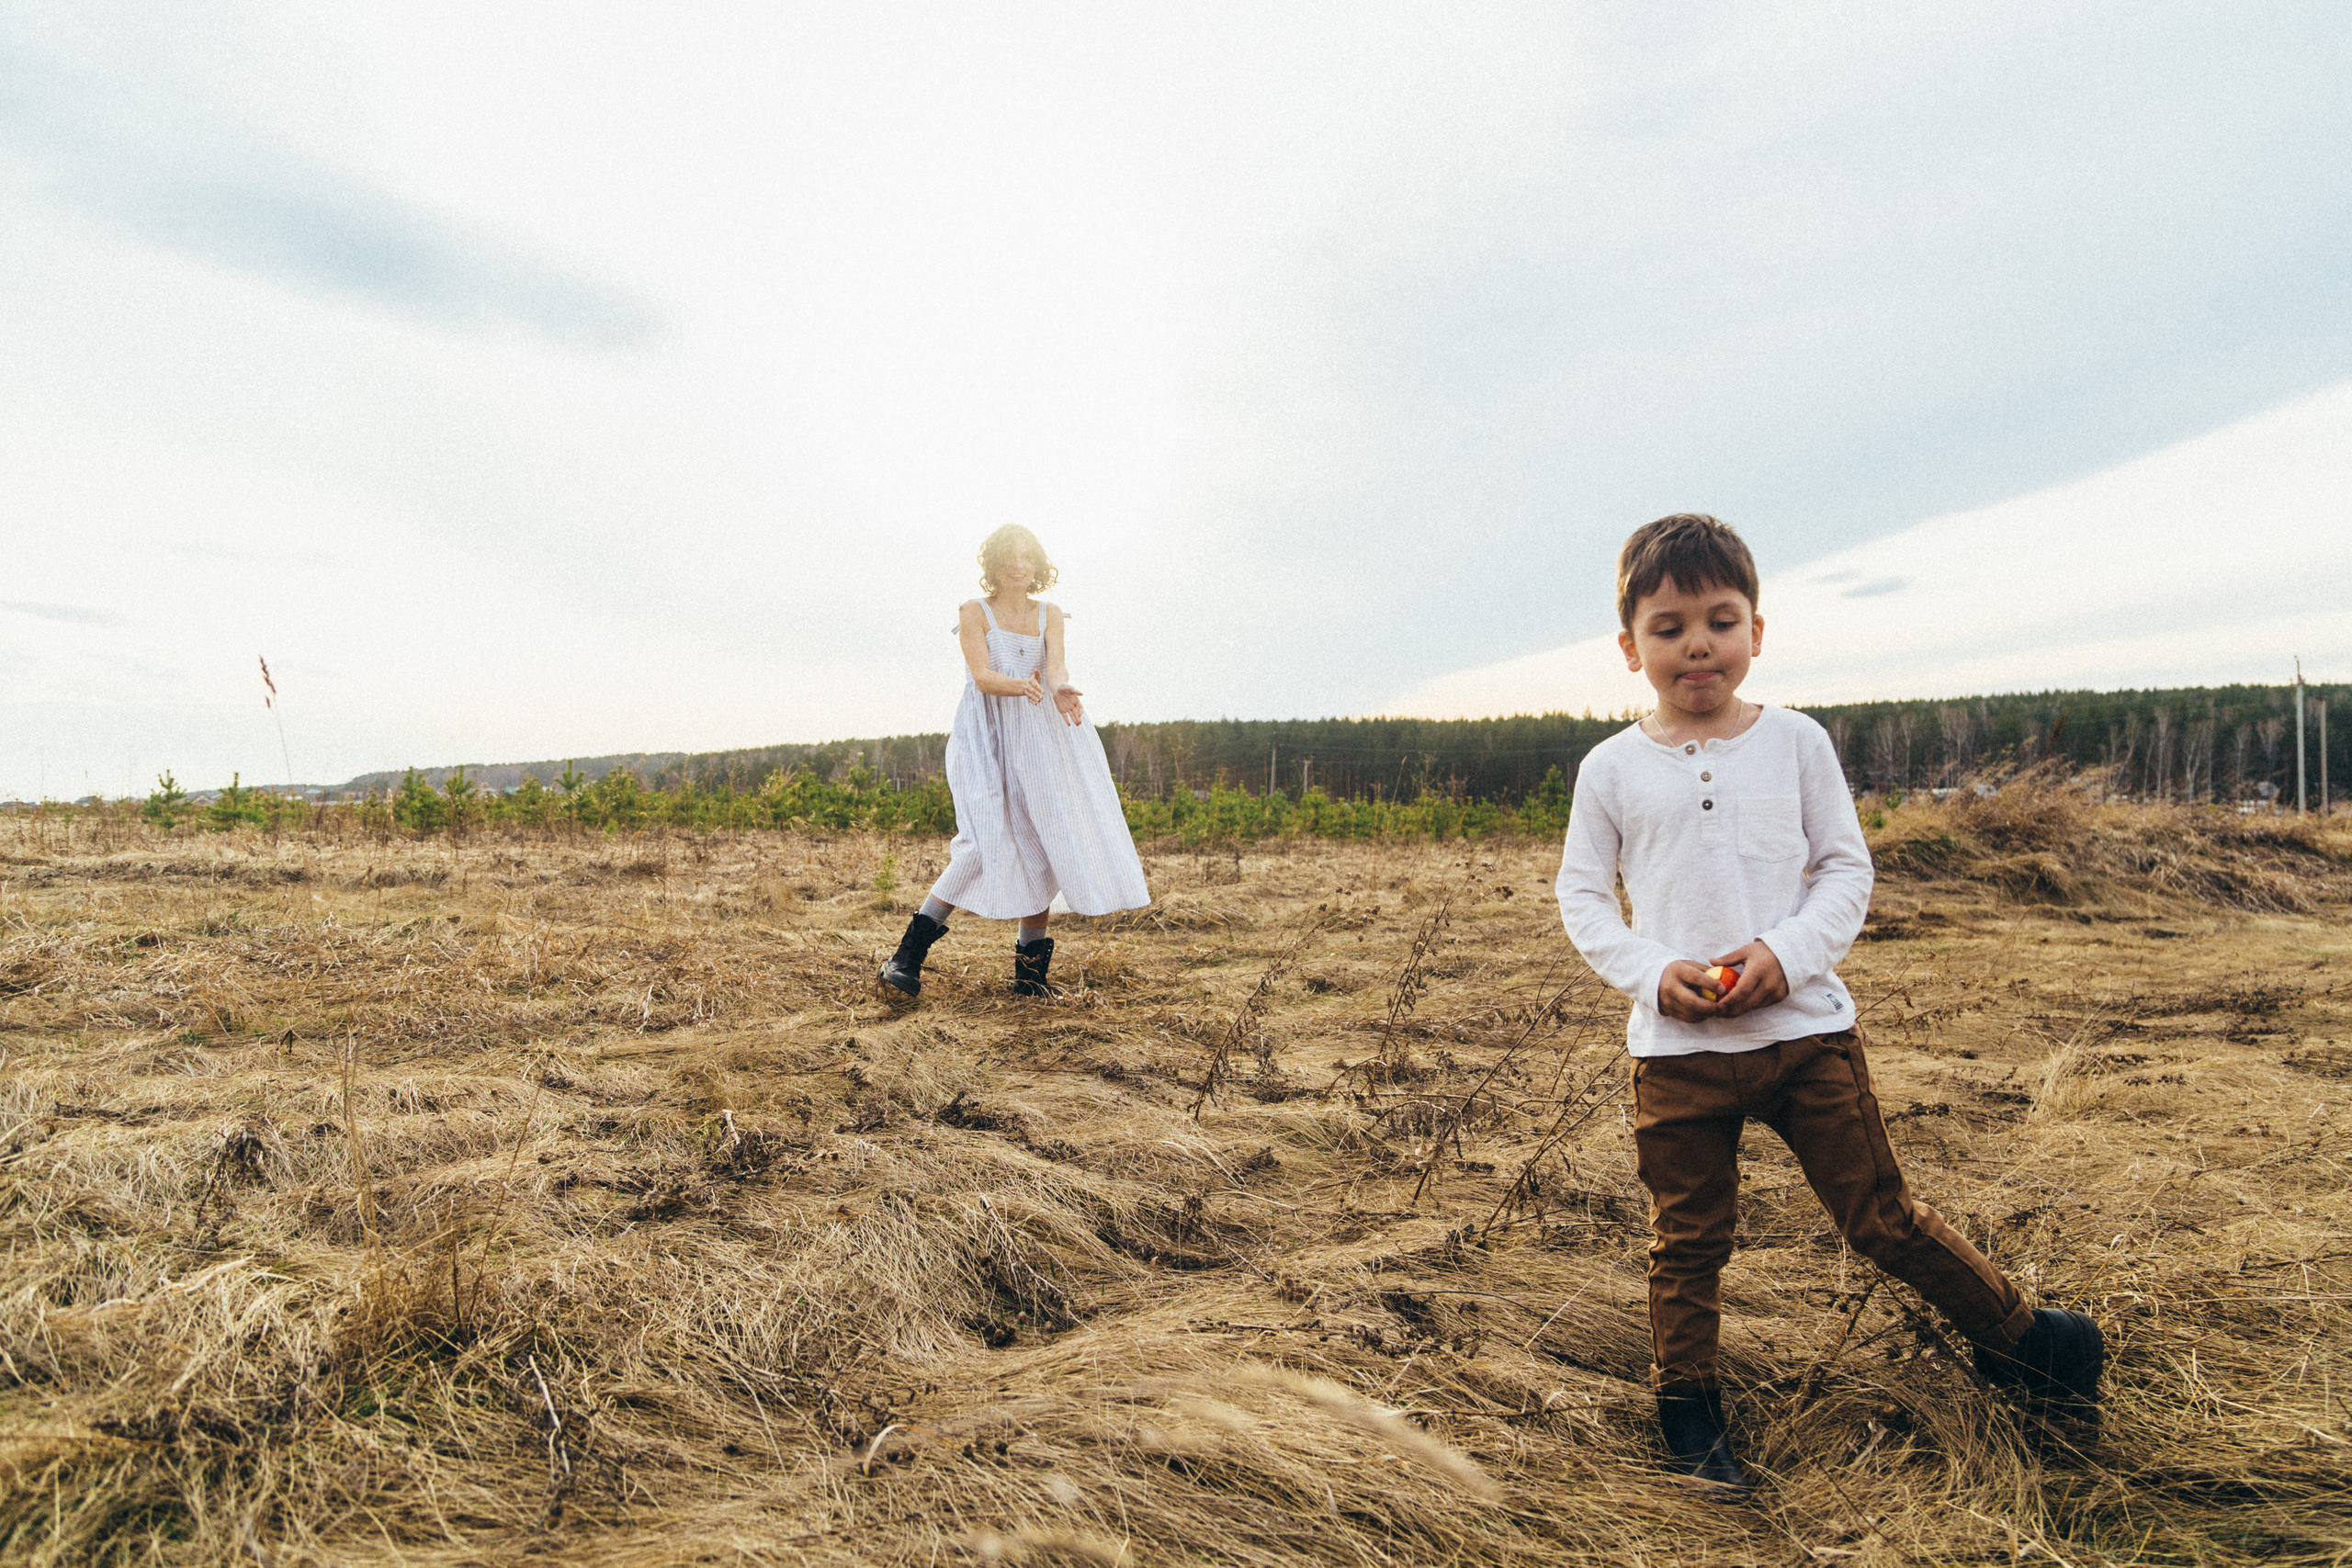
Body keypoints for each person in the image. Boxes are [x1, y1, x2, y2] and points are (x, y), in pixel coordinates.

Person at [1555, 513, 2102, 1491]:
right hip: (1676, 1057)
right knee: (1686, 1244)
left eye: (1719, 621)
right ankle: (1689, 1410)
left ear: (1756, 633)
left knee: (1880, 1218)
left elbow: (1844, 871)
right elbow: (1583, 897)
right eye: (1670, 625)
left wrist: (1787, 954)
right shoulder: (1609, 768)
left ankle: (2031, 1342)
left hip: (1807, 1039)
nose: (1696, 645)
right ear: (1630, 645)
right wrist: (1651, 972)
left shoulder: (1797, 744)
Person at [880, 525, 1149, 1000]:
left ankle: (1029, 978)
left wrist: (1059, 686)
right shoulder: (973, 612)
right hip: (986, 738)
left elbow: (1056, 667)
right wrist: (1021, 685)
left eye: (1029, 557)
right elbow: (983, 677)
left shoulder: (1051, 615)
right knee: (979, 844)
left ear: (1038, 565)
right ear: (995, 564)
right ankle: (906, 958)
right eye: (1011, 556)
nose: (1020, 564)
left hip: (1042, 739)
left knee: (1045, 840)